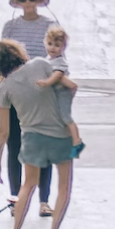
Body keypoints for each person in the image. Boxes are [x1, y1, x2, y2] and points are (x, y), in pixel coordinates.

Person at [0, 39, 74, 229]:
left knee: (27, 185)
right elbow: (67, 87)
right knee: (64, 185)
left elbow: (4, 131)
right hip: (58, 134)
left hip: (31, 138)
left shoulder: (5, 87)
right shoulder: (40, 64)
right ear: (19, 53)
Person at [0, 0, 56, 216]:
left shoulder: (50, 25)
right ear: (19, 3)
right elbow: (0, 64)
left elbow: (56, 59)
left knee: (43, 146)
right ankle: (16, 198)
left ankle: (43, 200)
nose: (28, 3)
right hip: (14, 91)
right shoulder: (10, 27)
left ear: (38, 1)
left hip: (41, 92)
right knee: (14, 144)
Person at [36, 25, 83, 156]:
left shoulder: (60, 61)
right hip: (56, 93)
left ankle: (77, 142)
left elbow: (58, 75)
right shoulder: (48, 59)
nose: (52, 47)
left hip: (63, 93)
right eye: (50, 43)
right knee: (57, 118)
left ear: (63, 47)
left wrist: (46, 82)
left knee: (65, 117)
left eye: (57, 45)